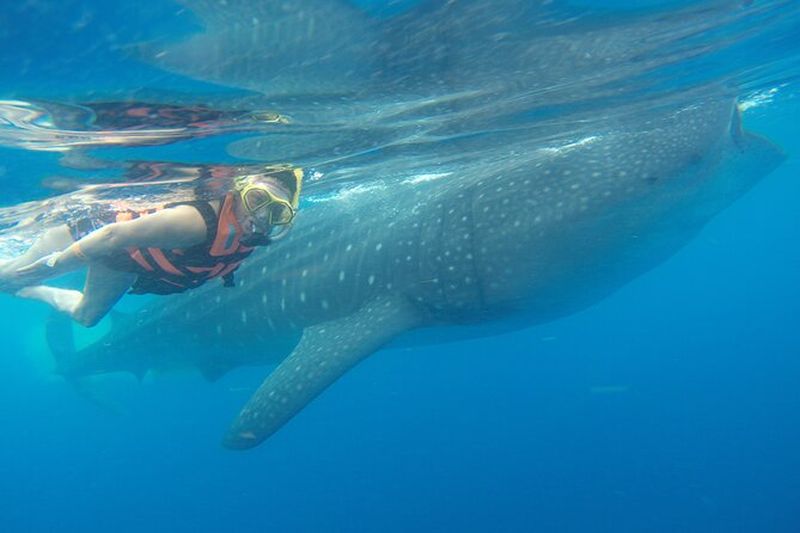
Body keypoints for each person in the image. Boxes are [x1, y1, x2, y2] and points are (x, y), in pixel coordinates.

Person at [0, 164, 303, 327]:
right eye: (257, 200)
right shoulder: (194, 222)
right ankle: (19, 280)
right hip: (90, 229)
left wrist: (35, 285)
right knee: (9, 275)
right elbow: (111, 236)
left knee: (86, 317)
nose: (259, 217)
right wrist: (49, 267)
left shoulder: (254, 235)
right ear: (240, 192)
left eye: (275, 212)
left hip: (125, 260)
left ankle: (30, 292)